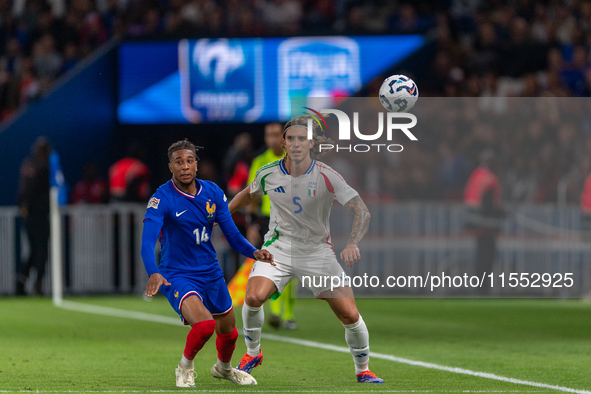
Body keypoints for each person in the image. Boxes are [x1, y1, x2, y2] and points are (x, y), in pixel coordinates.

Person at [228, 117, 384, 383]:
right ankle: (253, 353)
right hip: (278, 248)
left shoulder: (327, 175)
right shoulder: (268, 172)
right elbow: (250, 194)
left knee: (349, 314)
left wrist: (352, 242)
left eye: (302, 139)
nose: (296, 143)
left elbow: (361, 210)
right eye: (291, 138)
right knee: (253, 297)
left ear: (311, 143)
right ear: (284, 143)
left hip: (317, 253)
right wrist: (222, 214)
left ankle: (363, 370)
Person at [140, 139, 274, 387]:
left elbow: (232, 234)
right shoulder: (162, 199)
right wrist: (153, 272)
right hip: (177, 274)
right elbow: (147, 242)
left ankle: (223, 369)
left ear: (196, 165)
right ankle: (184, 367)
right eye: (178, 161)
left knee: (229, 331)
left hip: (210, 272)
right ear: (170, 166)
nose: (185, 166)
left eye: (190, 160)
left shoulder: (212, 192)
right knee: (204, 326)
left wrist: (254, 252)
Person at [247, 122, 297, 329]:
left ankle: (288, 315)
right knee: (274, 264)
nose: (273, 139)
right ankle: (277, 312)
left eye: (277, 135)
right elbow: (252, 196)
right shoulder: (260, 162)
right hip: (269, 221)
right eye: (269, 135)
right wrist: (251, 225)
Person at [463, 149, 506, 295]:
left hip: (476, 225)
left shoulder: (477, 175)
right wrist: (503, 213)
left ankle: (480, 291)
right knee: (486, 263)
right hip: (486, 227)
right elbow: (488, 207)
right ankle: (483, 292)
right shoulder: (489, 179)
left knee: (480, 262)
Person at [16, 137, 51, 296]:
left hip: (29, 212)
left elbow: (22, 191)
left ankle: (21, 282)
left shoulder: (27, 164)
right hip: (40, 213)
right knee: (41, 250)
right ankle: (37, 284)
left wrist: (23, 206)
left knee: (33, 250)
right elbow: (39, 190)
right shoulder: (43, 166)